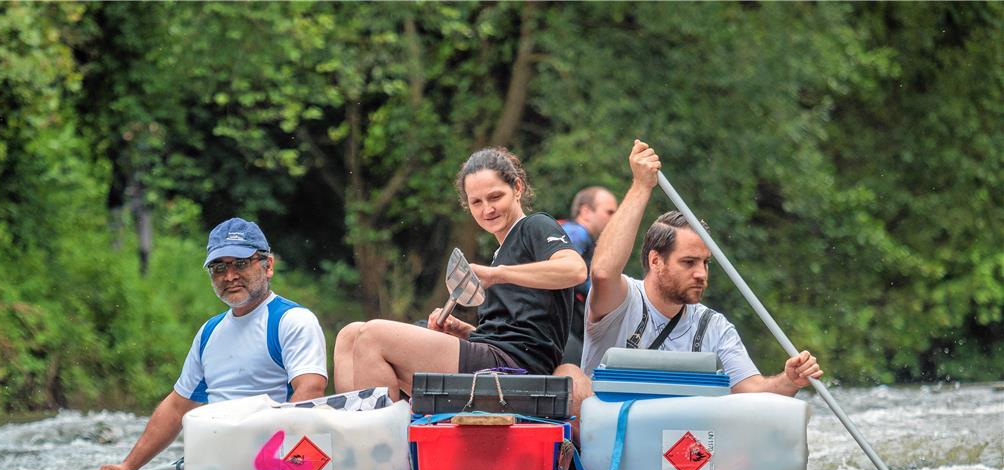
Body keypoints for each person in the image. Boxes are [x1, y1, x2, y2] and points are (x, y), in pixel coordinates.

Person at [0, 218, 328, 470]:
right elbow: (176, 407)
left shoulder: (292, 321)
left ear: (268, 265)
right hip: (220, 457)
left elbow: (308, 393)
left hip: (275, 462)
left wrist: (250, 450)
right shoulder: (210, 332)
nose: (230, 276)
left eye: (240, 264)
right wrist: (128, 465)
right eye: (219, 267)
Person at [554, 139, 824, 418]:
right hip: (610, 444)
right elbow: (601, 272)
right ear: (655, 261)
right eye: (688, 262)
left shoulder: (715, 326)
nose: (701, 273)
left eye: (705, 263)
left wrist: (788, 381)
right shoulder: (622, 300)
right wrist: (641, 185)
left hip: (684, 449)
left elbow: (752, 392)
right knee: (569, 375)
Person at [333, 146, 587, 399]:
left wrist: (497, 274)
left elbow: (575, 270)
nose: (487, 210)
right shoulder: (500, 253)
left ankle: (382, 435)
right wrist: (463, 330)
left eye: (495, 197)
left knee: (373, 336)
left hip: (516, 367)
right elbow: (507, 329)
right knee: (350, 335)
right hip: (491, 355)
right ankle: (360, 430)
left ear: (517, 188)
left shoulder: (535, 226)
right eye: (476, 202)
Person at [560, 186, 618, 365]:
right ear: (585, 211)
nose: (615, 218)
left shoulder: (582, 237)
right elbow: (567, 271)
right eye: (610, 212)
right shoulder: (576, 233)